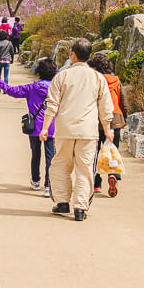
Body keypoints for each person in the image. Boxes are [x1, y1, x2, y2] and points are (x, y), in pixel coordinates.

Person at [41, 38, 114, 222]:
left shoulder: (61, 76)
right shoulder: (98, 78)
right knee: (85, 168)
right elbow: (106, 107)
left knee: (60, 166)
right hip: (88, 131)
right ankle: (80, 208)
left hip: (64, 129)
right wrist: (107, 129)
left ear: (73, 54)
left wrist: (45, 128)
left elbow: (52, 105)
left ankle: (62, 202)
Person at [0, 57, 57, 191]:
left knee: (35, 154)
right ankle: (49, 185)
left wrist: (1, 84)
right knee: (50, 156)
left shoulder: (32, 87)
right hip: (51, 127)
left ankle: (36, 180)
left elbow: (14, 91)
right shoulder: (57, 90)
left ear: (39, 72)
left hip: (34, 127)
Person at [88, 53, 126, 198]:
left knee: (96, 151)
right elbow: (123, 100)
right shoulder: (116, 80)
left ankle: (97, 184)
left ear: (95, 67)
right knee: (112, 150)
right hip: (115, 118)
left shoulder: (95, 80)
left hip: (97, 119)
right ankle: (113, 175)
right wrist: (124, 119)